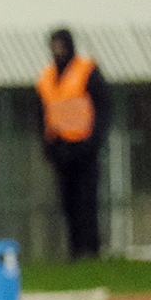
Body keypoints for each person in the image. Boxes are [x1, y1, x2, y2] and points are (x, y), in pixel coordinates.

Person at [36, 28, 110, 261]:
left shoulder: (87, 70)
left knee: (88, 199)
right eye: (54, 47)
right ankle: (75, 251)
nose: (58, 52)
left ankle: (93, 249)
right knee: (68, 202)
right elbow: (40, 112)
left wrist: (94, 139)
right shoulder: (46, 76)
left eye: (61, 46)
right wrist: (46, 144)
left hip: (84, 147)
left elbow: (104, 106)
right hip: (60, 147)